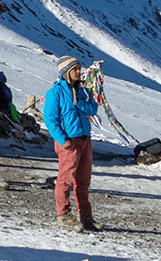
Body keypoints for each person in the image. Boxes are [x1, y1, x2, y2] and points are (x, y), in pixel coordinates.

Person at [44, 55, 100, 232]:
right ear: (65, 72)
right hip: (69, 141)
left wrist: (80, 102)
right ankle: (63, 214)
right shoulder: (55, 92)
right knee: (66, 179)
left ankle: (85, 216)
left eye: (79, 68)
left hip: (84, 139)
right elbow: (50, 119)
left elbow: (93, 108)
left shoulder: (82, 91)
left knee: (83, 180)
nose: (79, 72)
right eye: (75, 69)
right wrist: (62, 139)